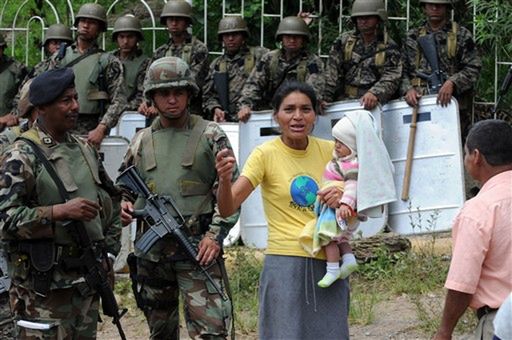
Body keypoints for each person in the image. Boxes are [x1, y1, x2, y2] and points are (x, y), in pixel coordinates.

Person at [216, 80, 349, 339]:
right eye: (289, 109)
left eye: (305, 109)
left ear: (315, 115)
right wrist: (223, 180)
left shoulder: (332, 151)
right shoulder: (264, 154)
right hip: (285, 262)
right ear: (276, 115)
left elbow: (364, 194)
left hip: (330, 260)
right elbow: (228, 206)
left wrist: (344, 194)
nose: (297, 117)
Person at [119, 56, 238, 339]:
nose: (172, 100)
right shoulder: (141, 140)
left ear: (189, 94)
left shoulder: (211, 134)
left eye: (178, 92)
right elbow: (123, 187)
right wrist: (123, 205)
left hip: (197, 250)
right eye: (164, 93)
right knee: (160, 332)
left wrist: (215, 236)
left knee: (211, 332)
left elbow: (231, 193)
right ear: (152, 98)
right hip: (152, 257)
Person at [0, 67, 122, 338]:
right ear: (42, 107)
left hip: (86, 284)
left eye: (75, 98)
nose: (75, 106)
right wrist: (57, 212)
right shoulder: (21, 155)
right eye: (65, 100)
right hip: (44, 293)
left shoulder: (85, 149)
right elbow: (5, 220)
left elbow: (111, 199)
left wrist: (110, 252)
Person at [433, 119, 512, 340]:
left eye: (466, 153)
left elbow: (462, 284)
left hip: (501, 324)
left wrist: (444, 331)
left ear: (476, 157)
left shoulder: (478, 210)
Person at [47, 3, 126, 147]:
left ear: (100, 29)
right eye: (83, 21)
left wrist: (102, 128)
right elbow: (48, 93)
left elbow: (119, 100)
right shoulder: (59, 58)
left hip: (91, 130)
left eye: (92, 22)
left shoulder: (108, 61)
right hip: (60, 126)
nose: (86, 25)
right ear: (77, 24)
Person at [401, 0, 481, 140]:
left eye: (439, 5)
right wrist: (408, 89)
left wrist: (452, 82)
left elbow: (473, 67)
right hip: (419, 106)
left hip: (450, 107)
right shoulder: (412, 36)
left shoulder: (461, 35)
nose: (435, 8)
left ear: (447, 7)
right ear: (424, 8)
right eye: (430, 4)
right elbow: (400, 70)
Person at [299, 117, 360, 288]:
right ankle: (348, 259)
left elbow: (352, 186)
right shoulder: (343, 161)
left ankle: (332, 269)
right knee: (341, 239)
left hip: (336, 210)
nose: (337, 146)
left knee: (328, 238)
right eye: (336, 141)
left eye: (343, 143)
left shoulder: (350, 165)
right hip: (335, 208)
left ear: (353, 146)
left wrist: (345, 204)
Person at [236, 16, 324, 122]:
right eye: (288, 36)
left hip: (298, 113)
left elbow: (313, 92)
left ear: (303, 39)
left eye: (296, 37)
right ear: (281, 38)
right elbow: (254, 84)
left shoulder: (312, 62)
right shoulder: (269, 58)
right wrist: (245, 106)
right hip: (269, 113)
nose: (292, 40)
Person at [323, 0, 402, 110]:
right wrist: (325, 98)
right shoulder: (344, 42)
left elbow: (392, 76)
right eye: (359, 18)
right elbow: (332, 72)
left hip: (375, 104)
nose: (363, 21)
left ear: (378, 19)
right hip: (344, 102)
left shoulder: (389, 47)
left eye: (368, 18)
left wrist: (375, 93)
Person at [140, 0, 209, 118]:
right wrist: (146, 102)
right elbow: (149, 79)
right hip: (162, 111)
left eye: (178, 19)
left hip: (189, 112)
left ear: (187, 22)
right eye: (170, 19)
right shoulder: (160, 52)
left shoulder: (198, 49)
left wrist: (161, 103)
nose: (174, 23)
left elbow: (192, 82)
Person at [202, 16, 268, 122]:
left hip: (254, 118)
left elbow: (280, 62)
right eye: (226, 35)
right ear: (222, 38)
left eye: (235, 34)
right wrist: (215, 108)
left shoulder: (259, 55)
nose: (230, 39)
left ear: (243, 36)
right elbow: (208, 95)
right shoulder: (217, 64)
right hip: (227, 121)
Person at [11, 23, 73, 117]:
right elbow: (24, 91)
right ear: (47, 46)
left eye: (63, 44)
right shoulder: (41, 67)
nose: (58, 47)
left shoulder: (73, 65)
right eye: (54, 43)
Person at [111, 15, 150, 113]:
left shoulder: (145, 62)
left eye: (130, 37)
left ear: (137, 38)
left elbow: (143, 94)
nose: (125, 41)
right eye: (122, 37)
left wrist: (121, 108)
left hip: (131, 113)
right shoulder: (107, 60)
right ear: (116, 38)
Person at [0, 34, 27, 130]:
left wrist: (14, 115)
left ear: (2, 49)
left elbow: (25, 98)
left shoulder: (16, 70)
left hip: (8, 130)